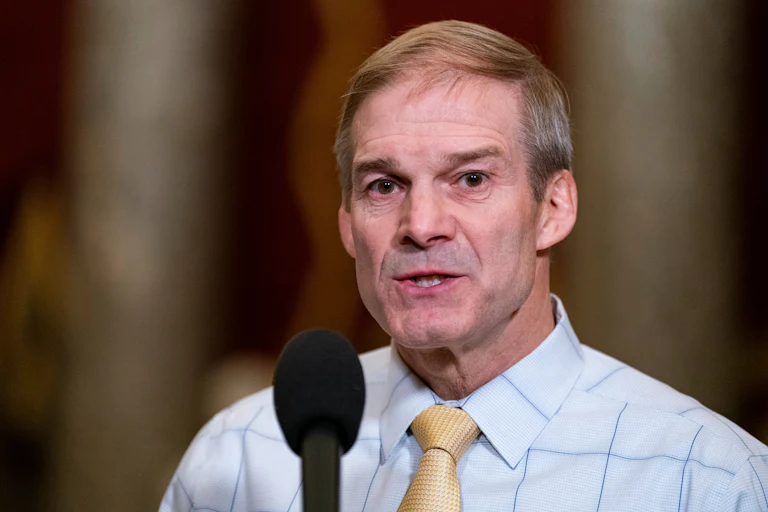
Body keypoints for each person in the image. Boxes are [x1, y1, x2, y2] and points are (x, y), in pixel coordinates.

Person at [160, 20, 768, 512]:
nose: (421, 224)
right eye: (384, 185)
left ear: (553, 207)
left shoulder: (703, 477)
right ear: (347, 225)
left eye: (471, 178)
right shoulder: (238, 459)